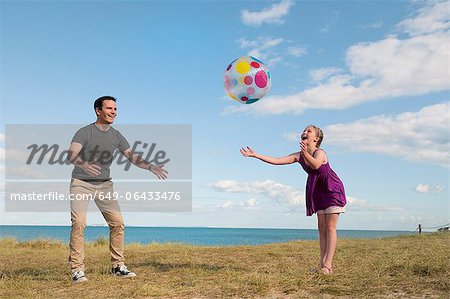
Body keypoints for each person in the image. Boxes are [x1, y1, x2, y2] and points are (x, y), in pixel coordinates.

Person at [67, 96, 168, 283]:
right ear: (98, 110)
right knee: (79, 223)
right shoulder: (84, 132)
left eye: (115, 109)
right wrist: (83, 163)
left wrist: (151, 166)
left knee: (118, 223)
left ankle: (117, 266)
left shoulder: (116, 135)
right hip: (81, 183)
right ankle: (77, 270)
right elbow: (71, 153)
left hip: (105, 184)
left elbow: (132, 156)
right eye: (109, 108)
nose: (114, 112)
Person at [240, 125, 346, 275]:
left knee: (330, 228)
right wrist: (256, 155)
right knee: (321, 229)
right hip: (317, 193)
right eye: (304, 130)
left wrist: (304, 153)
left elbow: (316, 165)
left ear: (316, 139)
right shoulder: (299, 155)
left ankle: (328, 266)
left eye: (309, 131)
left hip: (332, 190)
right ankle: (321, 264)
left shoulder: (320, 153)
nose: (304, 132)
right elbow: (277, 160)